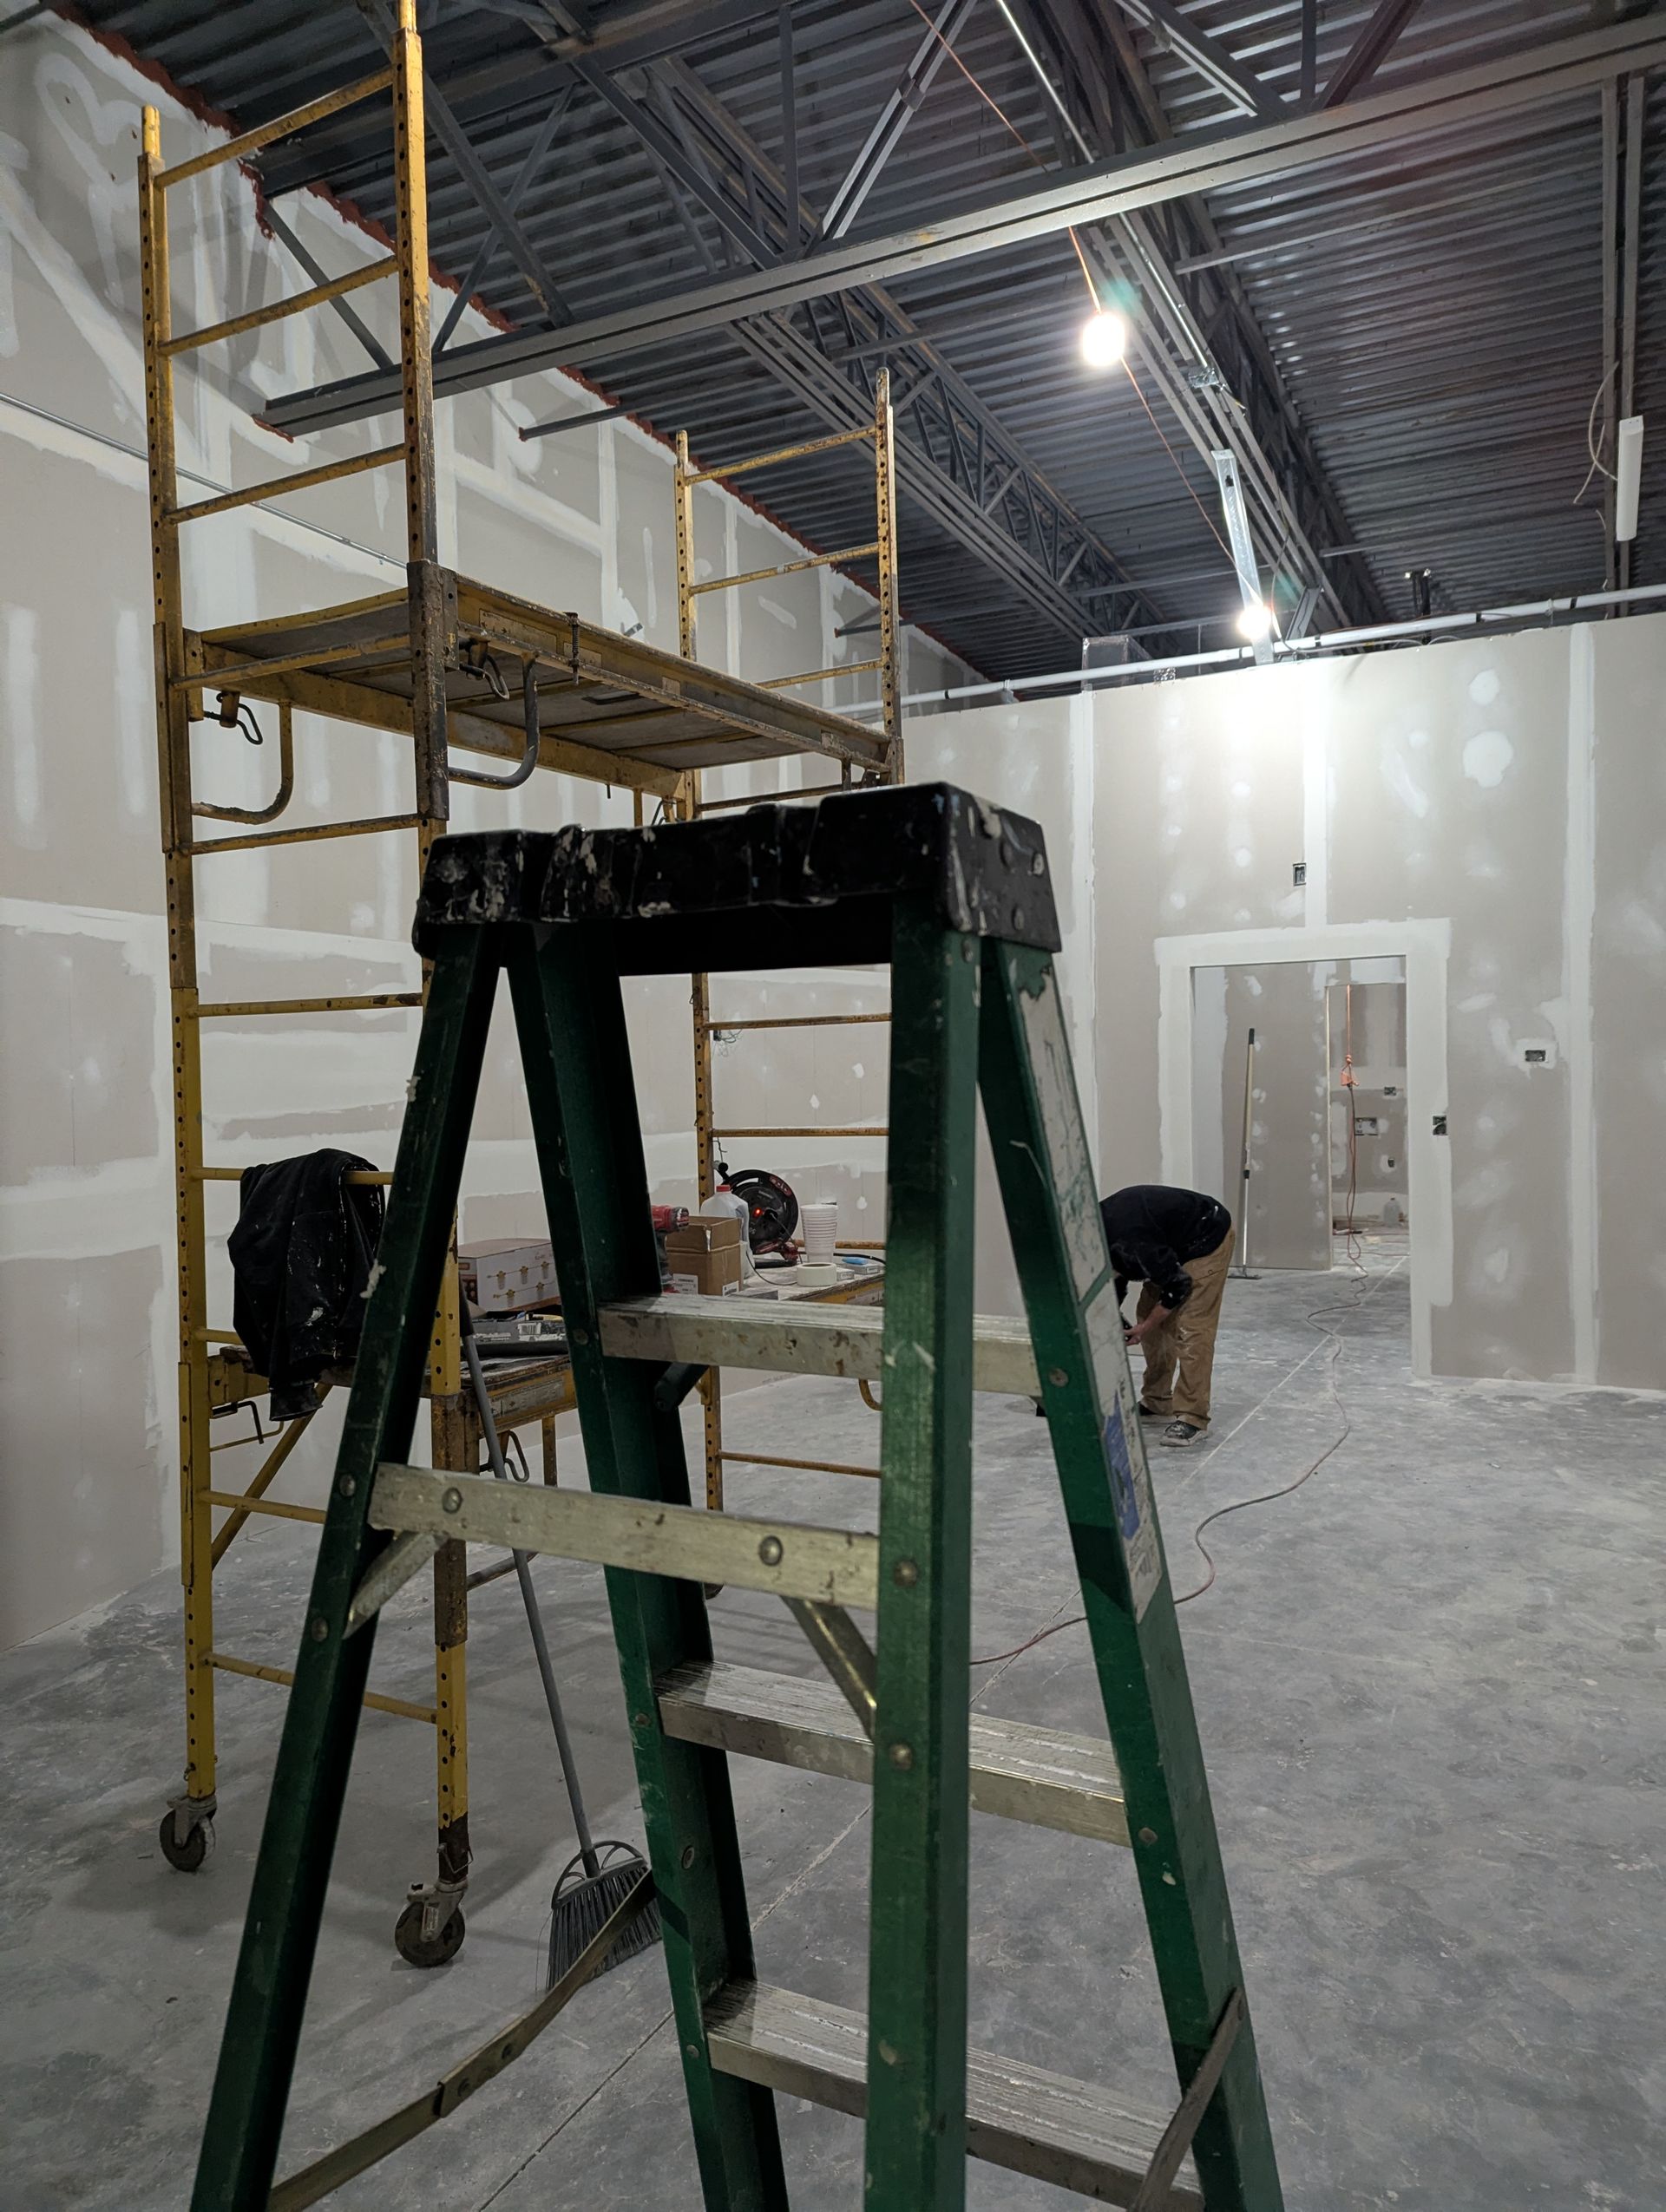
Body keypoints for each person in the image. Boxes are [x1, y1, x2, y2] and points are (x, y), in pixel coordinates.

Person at [1102, 1184, 1234, 1449]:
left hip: (1206, 1235)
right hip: (1167, 1242)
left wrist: (1144, 1327)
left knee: (1192, 1328)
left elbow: (1178, 1287)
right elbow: (1114, 1282)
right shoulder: (1096, 1243)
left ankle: (1192, 1417)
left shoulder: (1132, 1245)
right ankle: (1157, 1399)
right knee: (1149, 1317)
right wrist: (1116, 1318)